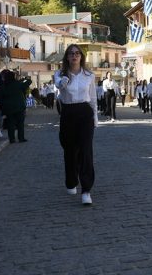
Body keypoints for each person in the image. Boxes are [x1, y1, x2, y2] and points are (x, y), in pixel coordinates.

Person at [54, 44, 98, 205]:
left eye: (77, 53)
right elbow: (58, 85)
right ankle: (71, 180)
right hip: (68, 112)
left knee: (86, 150)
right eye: (71, 53)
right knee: (70, 150)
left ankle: (86, 190)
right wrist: (62, 81)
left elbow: (92, 97)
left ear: (81, 56)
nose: (74, 56)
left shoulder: (89, 75)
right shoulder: (60, 74)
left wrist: (95, 117)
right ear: (67, 57)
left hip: (85, 112)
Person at [0, 71, 32, 143]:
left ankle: (12, 139)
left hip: (8, 108)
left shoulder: (4, 85)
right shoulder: (18, 84)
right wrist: (25, 79)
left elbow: (1, 96)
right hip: (19, 107)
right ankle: (21, 138)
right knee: (20, 123)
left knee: (10, 124)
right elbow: (29, 82)